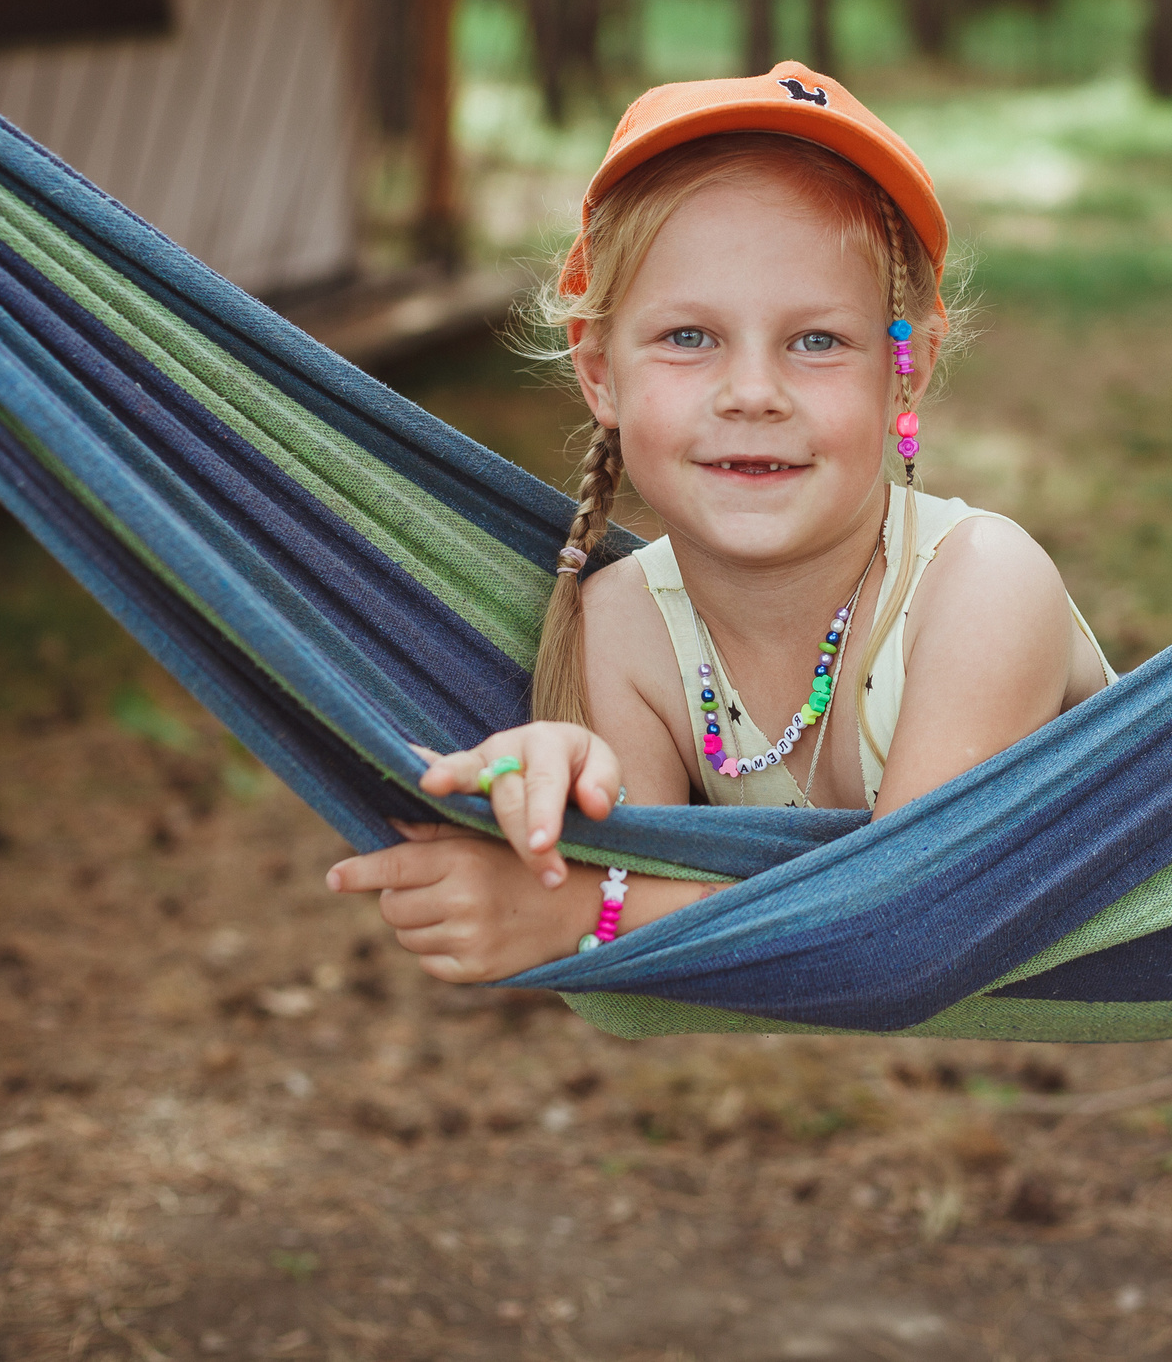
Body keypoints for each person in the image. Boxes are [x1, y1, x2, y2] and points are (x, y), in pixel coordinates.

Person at [326, 63, 1113, 979]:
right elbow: (640, 905)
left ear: (908, 369)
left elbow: (910, 924)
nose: (752, 394)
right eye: (689, 337)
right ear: (600, 373)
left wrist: (587, 908)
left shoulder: (980, 583)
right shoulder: (621, 626)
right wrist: (560, 801)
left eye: (817, 340)